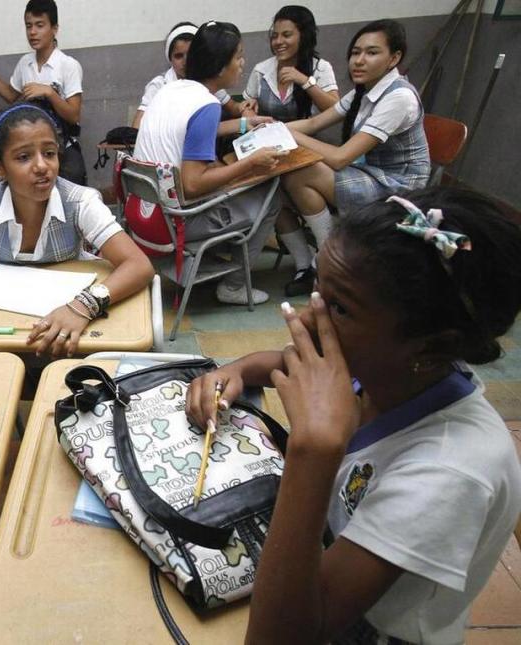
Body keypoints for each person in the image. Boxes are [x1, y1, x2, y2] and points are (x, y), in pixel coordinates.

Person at [186, 187, 521, 644]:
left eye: (338, 308)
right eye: (318, 292)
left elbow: (281, 638)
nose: (306, 322)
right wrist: (237, 369)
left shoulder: (448, 473)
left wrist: (313, 452)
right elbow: (281, 362)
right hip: (323, 563)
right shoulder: (391, 369)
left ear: (432, 345)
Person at [0, 104, 154, 357]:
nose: (42, 166)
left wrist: (83, 306)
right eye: (23, 157)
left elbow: (139, 265)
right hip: (11, 319)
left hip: (72, 322)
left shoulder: (80, 202)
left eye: (49, 153)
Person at [132, 21, 283, 306]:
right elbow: (192, 185)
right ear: (219, 66)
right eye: (238, 56)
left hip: (143, 215)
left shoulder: (170, 91)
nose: (242, 63)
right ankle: (234, 286)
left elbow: (184, 132)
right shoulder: (206, 105)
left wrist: (241, 125)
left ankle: (215, 262)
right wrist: (252, 162)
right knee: (271, 195)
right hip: (172, 224)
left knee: (220, 172)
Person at [279, 19, 430, 296]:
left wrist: (288, 136)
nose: (358, 61)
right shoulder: (364, 89)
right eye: (355, 52)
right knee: (280, 179)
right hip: (370, 171)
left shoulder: (399, 97)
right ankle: (306, 263)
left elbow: (340, 158)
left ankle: (328, 257)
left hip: (398, 185)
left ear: (393, 58)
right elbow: (314, 124)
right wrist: (271, 129)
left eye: (371, 53)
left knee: (300, 173)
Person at [0, 0, 88, 185]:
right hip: (32, 151)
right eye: (29, 26)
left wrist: (50, 93)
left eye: (40, 25)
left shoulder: (68, 65)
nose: (32, 32)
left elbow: (73, 116)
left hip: (61, 148)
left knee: (70, 197)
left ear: (54, 28)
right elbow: (10, 95)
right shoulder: (25, 63)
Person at [132, 22, 246, 129]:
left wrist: (245, 109)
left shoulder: (209, 82)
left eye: (191, 53)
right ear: (169, 58)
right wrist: (243, 125)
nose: (186, 61)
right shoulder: (160, 86)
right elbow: (137, 127)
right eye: (178, 56)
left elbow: (233, 110)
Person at [242, 5, 339, 122]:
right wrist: (249, 111)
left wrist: (304, 81)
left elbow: (336, 110)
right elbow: (246, 106)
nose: (278, 42)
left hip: (304, 137)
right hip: (266, 136)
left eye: (286, 35)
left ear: (304, 37)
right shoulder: (261, 70)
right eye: (275, 36)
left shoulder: (320, 67)